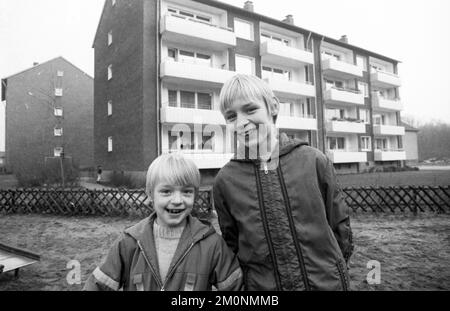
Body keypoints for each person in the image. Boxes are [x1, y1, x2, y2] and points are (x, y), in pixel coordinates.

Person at [213, 74, 354, 291]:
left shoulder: (314, 161)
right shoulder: (226, 181)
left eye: (250, 109)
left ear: (273, 107)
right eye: (231, 116)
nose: (241, 122)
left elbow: (339, 227)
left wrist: (333, 270)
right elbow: (232, 245)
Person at [84, 153, 242, 291]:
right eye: (166, 191)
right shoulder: (129, 243)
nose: (177, 200)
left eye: (187, 192)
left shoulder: (212, 244)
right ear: (150, 194)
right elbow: (97, 285)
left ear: (195, 194)